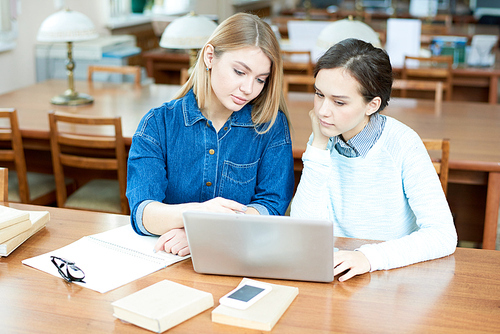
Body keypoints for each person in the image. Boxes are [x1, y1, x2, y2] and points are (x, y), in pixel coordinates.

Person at [126, 13, 294, 257]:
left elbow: (272, 207)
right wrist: (197, 216)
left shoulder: (271, 126)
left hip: (239, 257)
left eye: (260, 80)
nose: (248, 89)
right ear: (209, 57)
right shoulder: (158, 123)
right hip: (167, 259)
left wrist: (202, 232)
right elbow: (142, 213)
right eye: (239, 72)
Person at [290, 38, 457, 281]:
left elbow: (443, 235)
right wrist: (317, 146)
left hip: (391, 278)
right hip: (336, 274)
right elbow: (304, 232)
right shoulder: (325, 135)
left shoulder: (402, 144)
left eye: (339, 102)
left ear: (372, 105)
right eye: (319, 95)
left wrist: (369, 258)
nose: (322, 111)